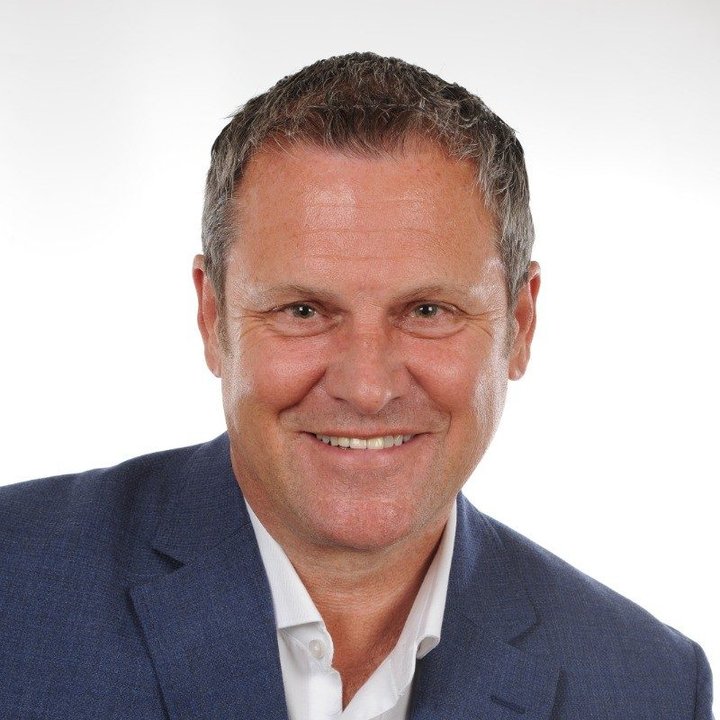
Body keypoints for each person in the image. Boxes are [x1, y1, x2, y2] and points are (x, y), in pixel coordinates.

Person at [0, 52, 713, 720]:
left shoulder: (648, 687)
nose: (367, 388)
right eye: (303, 311)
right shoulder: (14, 585)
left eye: (428, 311)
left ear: (520, 325)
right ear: (212, 316)